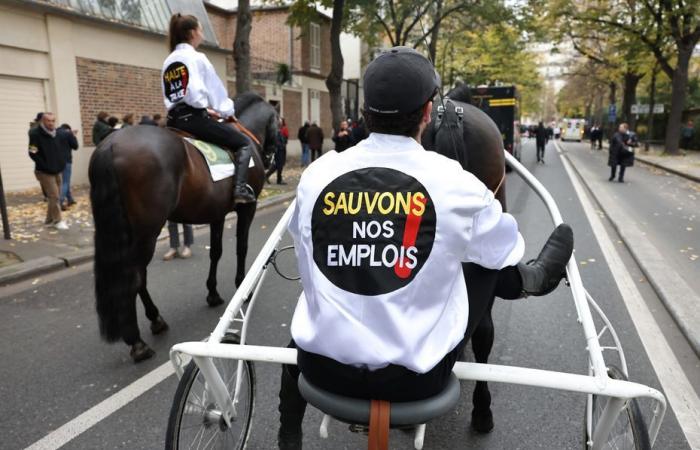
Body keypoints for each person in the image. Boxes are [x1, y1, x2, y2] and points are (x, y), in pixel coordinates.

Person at [276, 47, 574, 449]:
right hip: (415, 379)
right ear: (428, 112)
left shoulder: (317, 175)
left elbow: (301, 241)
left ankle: (287, 427)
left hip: (322, 368)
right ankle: (532, 280)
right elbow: (505, 248)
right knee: (486, 260)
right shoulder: (457, 183)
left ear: (364, 113)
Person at [162, 13, 255, 203]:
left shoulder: (169, 60)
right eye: (201, 29)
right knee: (244, 143)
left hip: (172, 119)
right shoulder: (198, 58)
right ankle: (240, 190)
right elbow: (216, 93)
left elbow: (177, 95)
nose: (202, 34)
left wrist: (205, 109)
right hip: (194, 121)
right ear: (192, 33)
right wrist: (227, 112)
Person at [27, 112, 70, 230]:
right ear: (43, 121)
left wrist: (61, 163)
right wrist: (44, 165)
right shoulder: (35, 134)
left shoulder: (57, 134)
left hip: (57, 169)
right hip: (44, 171)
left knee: (55, 197)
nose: (51, 123)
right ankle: (58, 221)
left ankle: (49, 220)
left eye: (53, 121)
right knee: (55, 196)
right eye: (48, 121)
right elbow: (32, 152)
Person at [57, 123, 79, 210]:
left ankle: (70, 199)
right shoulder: (68, 133)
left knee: (63, 182)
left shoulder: (54, 132)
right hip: (66, 161)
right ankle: (60, 202)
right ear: (68, 129)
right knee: (65, 182)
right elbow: (75, 146)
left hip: (55, 161)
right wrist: (73, 135)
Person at [266, 118, 288, 185]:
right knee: (279, 165)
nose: (281, 124)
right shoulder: (276, 132)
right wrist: (282, 146)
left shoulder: (279, 131)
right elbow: (276, 142)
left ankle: (266, 176)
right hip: (279, 151)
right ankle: (279, 180)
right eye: (280, 123)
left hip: (281, 150)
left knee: (276, 165)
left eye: (281, 123)